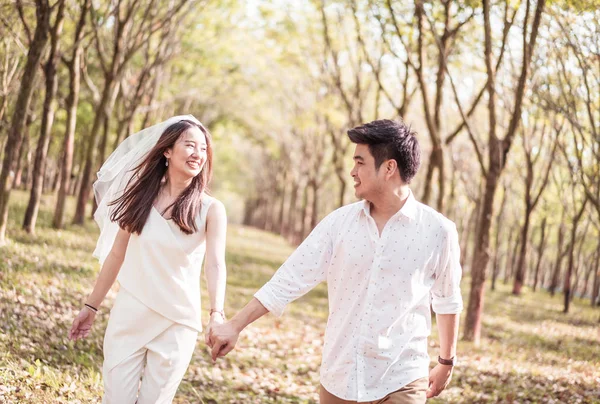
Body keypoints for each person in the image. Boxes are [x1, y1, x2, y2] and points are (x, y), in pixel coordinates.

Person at [208, 119, 462, 404]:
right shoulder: (339, 224)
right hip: (341, 376)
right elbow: (290, 278)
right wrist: (235, 324)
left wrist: (446, 361)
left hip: (402, 377)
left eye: (360, 162)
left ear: (389, 168)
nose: (352, 172)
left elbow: (447, 299)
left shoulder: (438, 231)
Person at [68, 116, 227, 404]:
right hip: (130, 314)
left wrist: (217, 313)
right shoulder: (140, 197)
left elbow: (215, 264)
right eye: (190, 145)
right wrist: (91, 306)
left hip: (177, 323)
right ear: (167, 150)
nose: (198, 154)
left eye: (203, 149)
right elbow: (117, 255)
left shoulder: (211, 209)